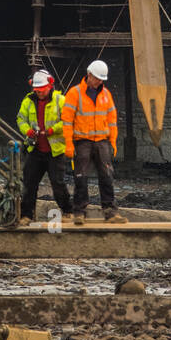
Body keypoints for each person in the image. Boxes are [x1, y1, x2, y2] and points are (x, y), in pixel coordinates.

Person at [61, 59, 126, 224]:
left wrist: (112, 141)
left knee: (107, 175)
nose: (99, 81)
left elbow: (112, 120)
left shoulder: (106, 94)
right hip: (82, 141)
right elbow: (67, 120)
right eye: (97, 78)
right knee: (81, 177)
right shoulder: (74, 93)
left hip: (102, 141)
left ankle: (110, 212)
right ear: (89, 75)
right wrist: (68, 143)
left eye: (101, 79)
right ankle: (79, 212)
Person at [16, 70, 72, 225]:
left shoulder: (60, 100)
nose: (40, 93)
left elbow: (68, 120)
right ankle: (27, 215)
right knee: (29, 183)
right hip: (35, 150)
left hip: (55, 150)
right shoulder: (28, 101)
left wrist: (52, 130)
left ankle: (67, 211)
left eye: (42, 90)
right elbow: (20, 119)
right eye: (37, 90)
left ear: (50, 86)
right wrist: (27, 130)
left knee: (58, 183)